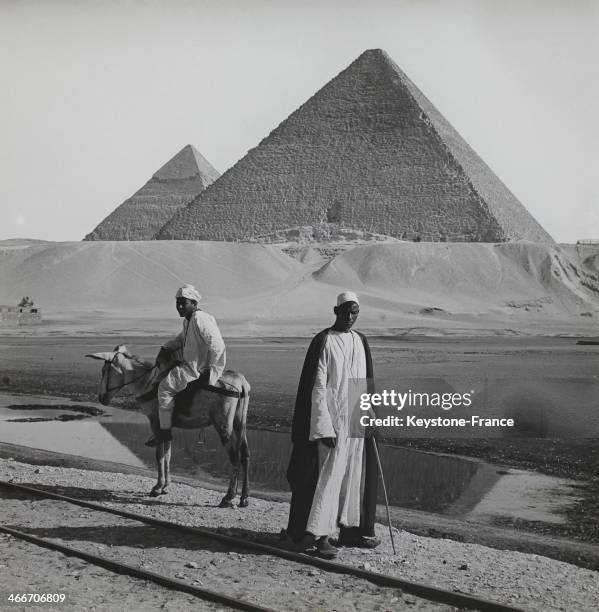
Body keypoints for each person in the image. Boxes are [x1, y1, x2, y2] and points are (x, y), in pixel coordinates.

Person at [285, 291, 380, 558]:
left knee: (351, 478)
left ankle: (348, 529)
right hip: (332, 423)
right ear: (335, 311)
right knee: (327, 479)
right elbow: (316, 388)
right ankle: (319, 535)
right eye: (346, 312)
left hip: (354, 421)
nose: (350, 317)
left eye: (355, 313)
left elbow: (362, 383)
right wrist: (323, 428)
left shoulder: (360, 341)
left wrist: (368, 412)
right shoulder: (324, 341)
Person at [145, 284, 226, 447]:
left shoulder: (199, 318)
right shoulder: (189, 320)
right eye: (178, 303)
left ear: (194, 304)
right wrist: (166, 348)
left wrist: (213, 370)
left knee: (164, 388)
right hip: (191, 365)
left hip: (195, 368)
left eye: (184, 303)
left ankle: (164, 433)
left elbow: (217, 345)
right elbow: (181, 339)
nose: (180, 306)